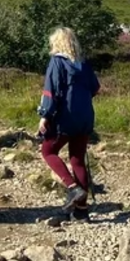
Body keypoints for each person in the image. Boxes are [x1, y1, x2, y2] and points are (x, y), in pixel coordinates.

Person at [37, 27, 100, 221]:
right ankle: (81, 211)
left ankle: (73, 188)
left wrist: (45, 115)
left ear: (56, 43)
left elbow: (51, 91)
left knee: (48, 151)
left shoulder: (57, 62)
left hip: (65, 117)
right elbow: (95, 88)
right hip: (85, 116)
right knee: (77, 159)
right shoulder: (84, 63)